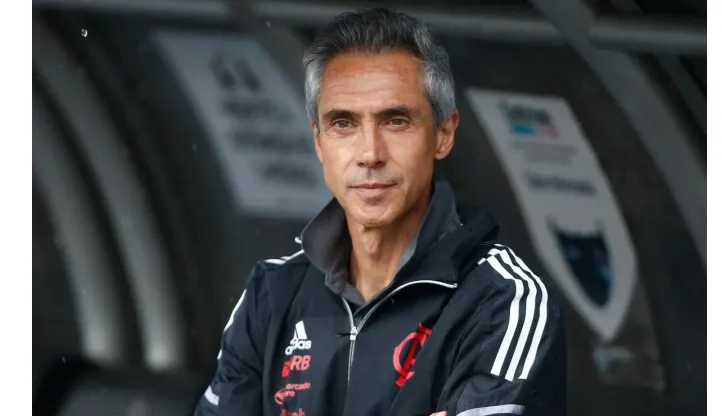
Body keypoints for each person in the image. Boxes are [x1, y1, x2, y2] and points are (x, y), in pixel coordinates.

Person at [194, 7, 566, 416]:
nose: (370, 153)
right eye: (343, 124)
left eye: (396, 120)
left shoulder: (503, 300)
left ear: (443, 134)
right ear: (318, 142)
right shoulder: (272, 294)